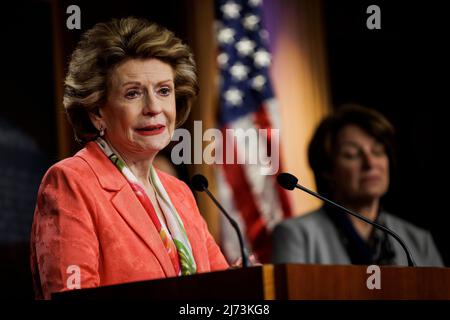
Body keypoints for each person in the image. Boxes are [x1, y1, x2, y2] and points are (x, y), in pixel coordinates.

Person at [30, 17, 229, 300]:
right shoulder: (72, 182)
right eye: (133, 93)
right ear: (97, 111)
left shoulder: (180, 192)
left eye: (164, 91)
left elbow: (222, 287)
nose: (153, 108)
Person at [272, 104, 443, 266]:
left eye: (378, 151)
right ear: (327, 169)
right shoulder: (295, 235)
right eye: (352, 154)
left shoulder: (418, 241)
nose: (370, 163)